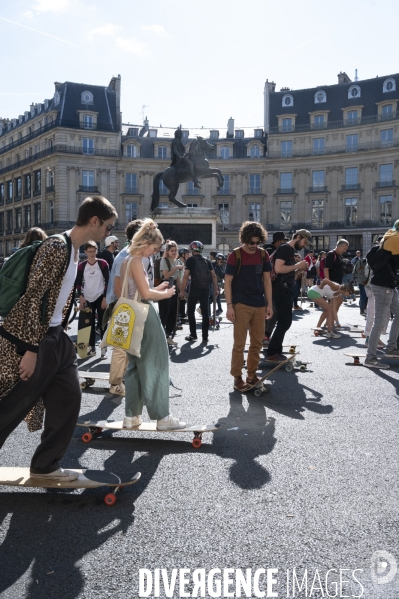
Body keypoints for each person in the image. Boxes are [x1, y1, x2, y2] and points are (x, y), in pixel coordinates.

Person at [0, 195, 117, 481]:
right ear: (94, 221)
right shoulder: (56, 247)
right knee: (12, 405)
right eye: (108, 227)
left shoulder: (75, 251)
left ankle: (45, 465)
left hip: (57, 338)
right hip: (35, 340)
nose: (108, 233)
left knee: (68, 399)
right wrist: (30, 349)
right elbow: (32, 298)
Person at [119, 218, 186, 430]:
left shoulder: (125, 260)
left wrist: (158, 288)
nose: (155, 252)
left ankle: (132, 416)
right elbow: (145, 294)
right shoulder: (138, 261)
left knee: (135, 367)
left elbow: (125, 289)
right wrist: (165, 293)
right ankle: (162, 417)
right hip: (144, 315)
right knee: (157, 363)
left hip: (128, 316)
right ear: (145, 243)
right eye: (155, 248)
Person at [224, 221, 273, 391]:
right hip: (240, 304)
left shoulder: (263, 254)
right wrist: (229, 306)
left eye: (257, 242)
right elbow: (227, 282)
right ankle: (237, 377)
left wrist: (269, 305)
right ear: (244, 239)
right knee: (239, 344)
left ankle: (251, 375)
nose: (254, 246)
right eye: (251, 242)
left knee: (257, 343)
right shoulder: (235, 255)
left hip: (259, 304)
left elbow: (267, 281)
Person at [105, 220, 144, 396]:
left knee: (128, 346)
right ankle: (115, 384)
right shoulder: (124, 257)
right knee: (120, 347)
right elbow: (117, 288)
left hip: (131, 304)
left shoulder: (134, 255)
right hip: (124, 304)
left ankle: (124, 379)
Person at [266, 230, 310, 362]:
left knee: (282, 321)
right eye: (304, 242)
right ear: (298, 237)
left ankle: (275, 351)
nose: (304, 246)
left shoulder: (289, 250)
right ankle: (272, 352)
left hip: (284, 288)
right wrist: (297, 265)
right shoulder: (285, 248)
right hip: (280, 288)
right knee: (285, 322)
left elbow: (288, 273)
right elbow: (279, 269)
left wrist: (299, 269)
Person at [364, 239, 399, 369]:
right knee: (379, 321)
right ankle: (370, 358)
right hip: (384, 287)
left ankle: (391, 347)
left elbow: (369, 258)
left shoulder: (379, 247)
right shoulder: (394, 249)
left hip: (385, 285)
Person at [75, 241, 109, 358]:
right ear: (85, 252)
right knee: (88, 325)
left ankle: (104, 347)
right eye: (89, 252)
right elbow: (78, 283)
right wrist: (81, 296)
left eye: (94, 251)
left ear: (96, 251)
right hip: (87, 298)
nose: (92, 254)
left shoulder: (102, 263)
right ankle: (92, 348)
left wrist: (105, 298)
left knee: (102, 323)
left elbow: (108, 282)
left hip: (100, 297)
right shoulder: (81, 266)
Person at [180, 241, 218, 344]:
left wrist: (182, 291)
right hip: (205, 289)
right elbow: (213, 276)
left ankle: (193, 335)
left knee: (191, 311)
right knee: (205, 313)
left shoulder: (190, 260)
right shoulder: (207, 261)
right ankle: (205, 337)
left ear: (192, 250)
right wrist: (215, 289)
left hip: (194, 288)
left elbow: (185, 276)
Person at [263, 231, 288, 344]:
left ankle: (263, 334)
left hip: (263, 284)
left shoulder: (266, 251)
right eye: (283, 241)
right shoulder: (274, 252)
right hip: (271, 285)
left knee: (266, 310)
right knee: (273, 311)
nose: (285, 244)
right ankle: (266, 335)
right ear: (279, 241)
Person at [160, 240, 183, 346]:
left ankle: (168, 335)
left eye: (175, 250)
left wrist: (181, 290)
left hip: (173, 288)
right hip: (165, 288)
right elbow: (166, 276)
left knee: (173, 313)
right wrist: (176, 268)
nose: (174, 252)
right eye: (172, 250)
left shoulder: (176, 261)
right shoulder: (164, 261)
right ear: (167, 251)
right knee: (165, 312)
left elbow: (177, 277)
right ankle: (161, 335)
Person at [323, 239, 349, 326]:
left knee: (337, 302)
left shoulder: (338, 256)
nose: (344, 251)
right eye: (344, 249)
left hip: (337, 283)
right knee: (333, 304)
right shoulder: (331, 254)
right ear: (339, 246)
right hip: (333, 284)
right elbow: (326, 269)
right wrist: (329, 283)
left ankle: (330, 321)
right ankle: (328, 323)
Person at [176, 247, 189, 320]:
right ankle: (180, 315)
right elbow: (177, 275)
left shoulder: (184, 263)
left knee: (183, 300)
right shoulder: (178, 262)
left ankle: (182, 314)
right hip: (179, 284)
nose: (188, 255)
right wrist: (180, 286)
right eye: (187, 254)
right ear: (182, 254)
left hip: (183, 284)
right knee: (181, 299)